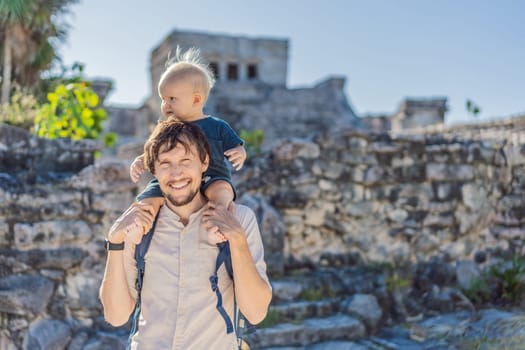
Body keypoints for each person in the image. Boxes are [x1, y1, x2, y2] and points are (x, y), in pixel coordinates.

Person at [99, 119, 272, 349]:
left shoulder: (240, 219)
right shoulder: (138, 226)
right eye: (165, 163)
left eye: (185, 160)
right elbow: (116, 316)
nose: (176, 173)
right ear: (154, 170)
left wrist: (237, 239)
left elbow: (256, 313)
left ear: (204, 162)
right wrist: (115, 241)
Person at [130, 46, 246, 243]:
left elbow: (237, 145)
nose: (165, 106)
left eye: (171, 99)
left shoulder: (217, 126)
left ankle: (214, 227)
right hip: (173, 179)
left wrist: (239, 151)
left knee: (221, 194)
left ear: (196, 99)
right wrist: (141, 160)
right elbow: (153, 149)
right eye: (163, 99)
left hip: (212, 175)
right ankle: (140, 227)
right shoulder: (167, 128)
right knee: (149, 197)